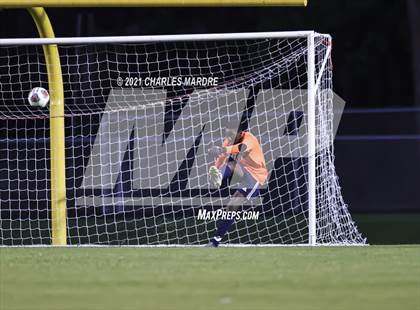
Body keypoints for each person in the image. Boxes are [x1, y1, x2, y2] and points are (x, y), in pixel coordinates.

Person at [206, 121, 268, 247]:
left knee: (232, 205)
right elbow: (222, 157)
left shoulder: (249, 138)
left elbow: (241, 148)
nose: (228, 136)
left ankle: (215, 241)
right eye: (227, 133)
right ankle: (215, 242)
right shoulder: (228, 141)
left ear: (239, 132)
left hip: (256, 177)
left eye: (231, 133)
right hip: (244, 172)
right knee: (231, 165)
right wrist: (216, 169)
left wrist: (221, 149)